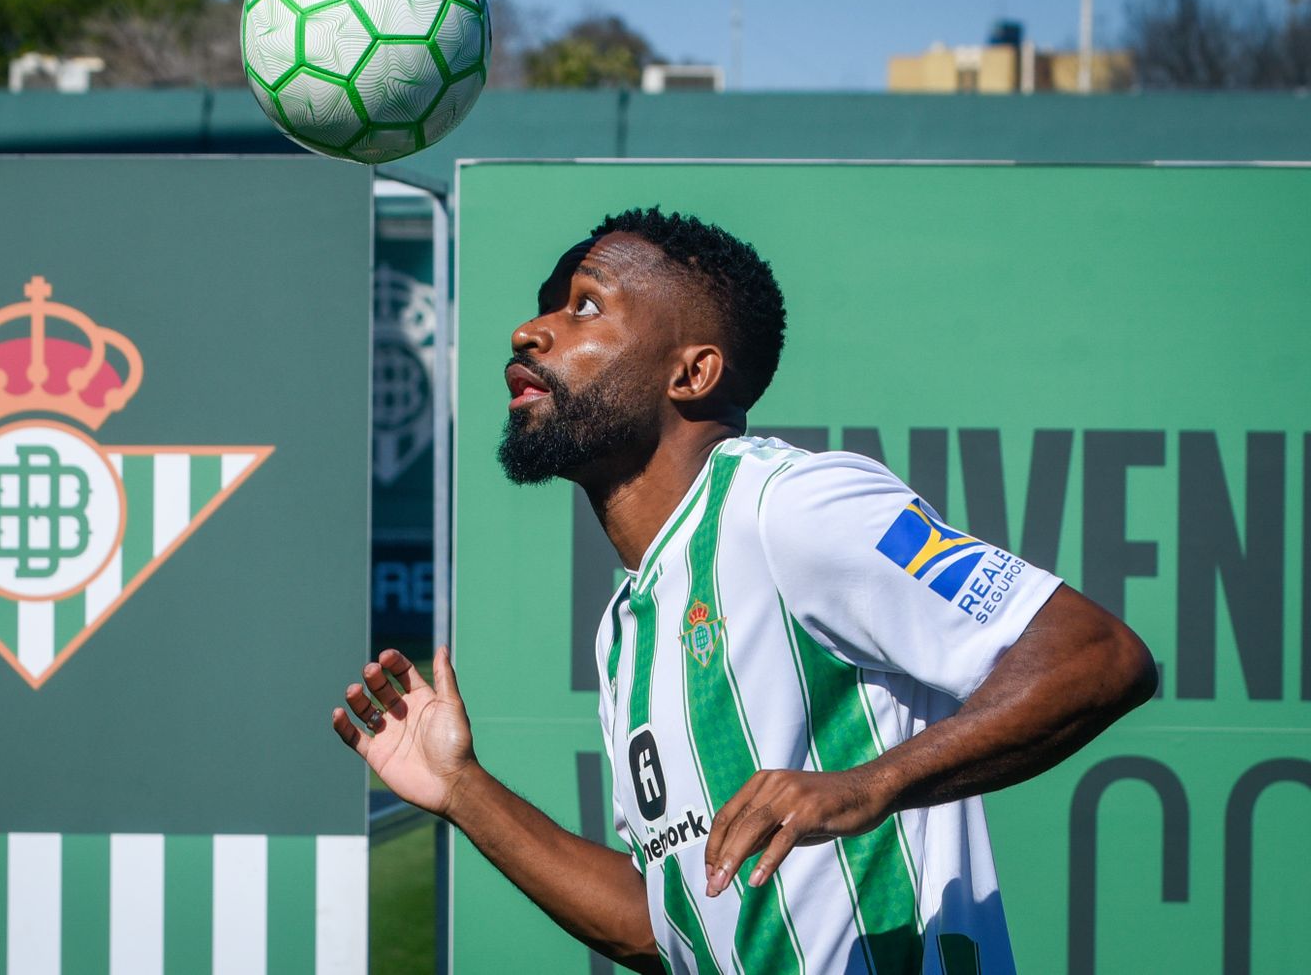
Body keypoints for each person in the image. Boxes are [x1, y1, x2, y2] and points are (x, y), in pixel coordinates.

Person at [332, 207, 1156, 973]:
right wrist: (463, 789)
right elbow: (663, 920)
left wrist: (869, 783)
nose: (530, 331)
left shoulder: (792, 504)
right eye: (548, 306)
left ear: (691, 372)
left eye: (585, 306)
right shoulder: (626, 626)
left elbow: (1099, 654)